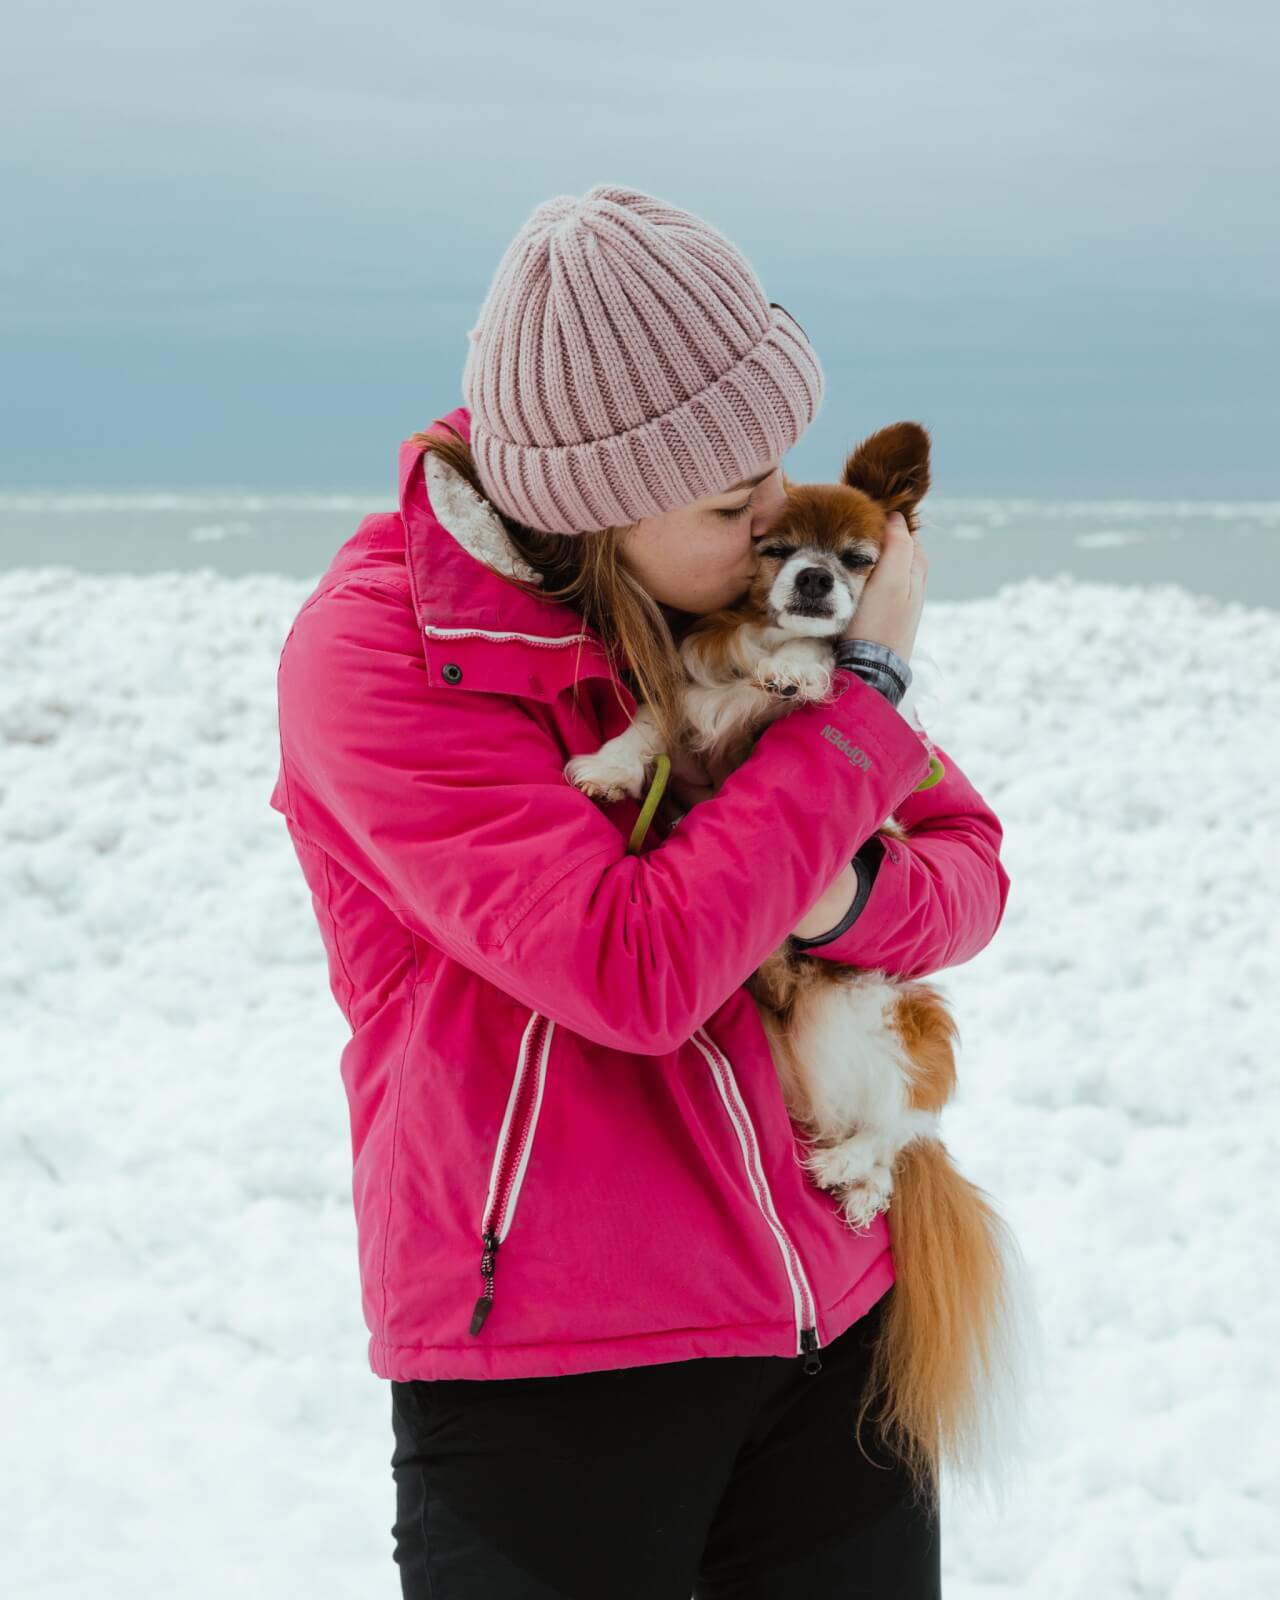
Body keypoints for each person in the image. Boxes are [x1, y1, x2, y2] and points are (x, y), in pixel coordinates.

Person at [268, 183, 1010, 1598]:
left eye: (776, 475)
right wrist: (866, 699)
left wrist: (839, 904)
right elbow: (634, 973)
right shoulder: (383, 658)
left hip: (833, 1315)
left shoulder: (720, 616)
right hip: (559, 1360)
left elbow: (968, 868)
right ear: (602, 507)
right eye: (737, 504)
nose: (777, 523)